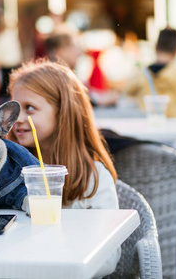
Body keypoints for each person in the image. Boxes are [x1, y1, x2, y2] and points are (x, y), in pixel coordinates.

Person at [7, 59, 120, 278]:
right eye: (15, 108)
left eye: (30, 108)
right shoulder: (8, 172)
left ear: (63, 112)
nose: (17, 119)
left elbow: (109, 257)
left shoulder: (93, 178)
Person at [125, 27, 176, 117]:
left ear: (155, 47)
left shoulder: (142, 73)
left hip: (146, 126)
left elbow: (126, 92)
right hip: (173, 127)